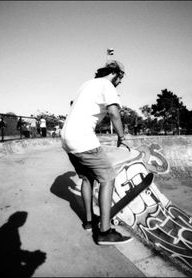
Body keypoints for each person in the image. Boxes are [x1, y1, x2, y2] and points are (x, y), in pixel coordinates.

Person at [61, 60, 132, 245]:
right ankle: (105, 232)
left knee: (86, 178)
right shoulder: (106, 84)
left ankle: (88, 222)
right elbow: (114, 113)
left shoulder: (86, 84)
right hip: (82, 139)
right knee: (108, 178)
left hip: (67, 138)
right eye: (121, 77)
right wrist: (122, 137)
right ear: (116, 73)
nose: (120, 82)